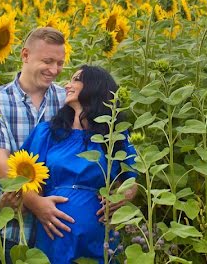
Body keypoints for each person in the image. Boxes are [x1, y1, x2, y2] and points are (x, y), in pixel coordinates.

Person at [20, 65, 138, 264]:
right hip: (54, 233)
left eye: (75, 79)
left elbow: (131, 180)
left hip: (100, 233)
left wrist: (123, 197)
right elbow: (22, 179)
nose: (67, 85)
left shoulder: (114, 135)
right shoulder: (47, 133)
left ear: (94, 86)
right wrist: (36, 203)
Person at [0, 27, 75, 260]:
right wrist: (37, 204)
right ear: (25, 55)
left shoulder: (66, 100)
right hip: (14, 221)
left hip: (59, 224)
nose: (54, 70)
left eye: (60, 63)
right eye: (48, 61)